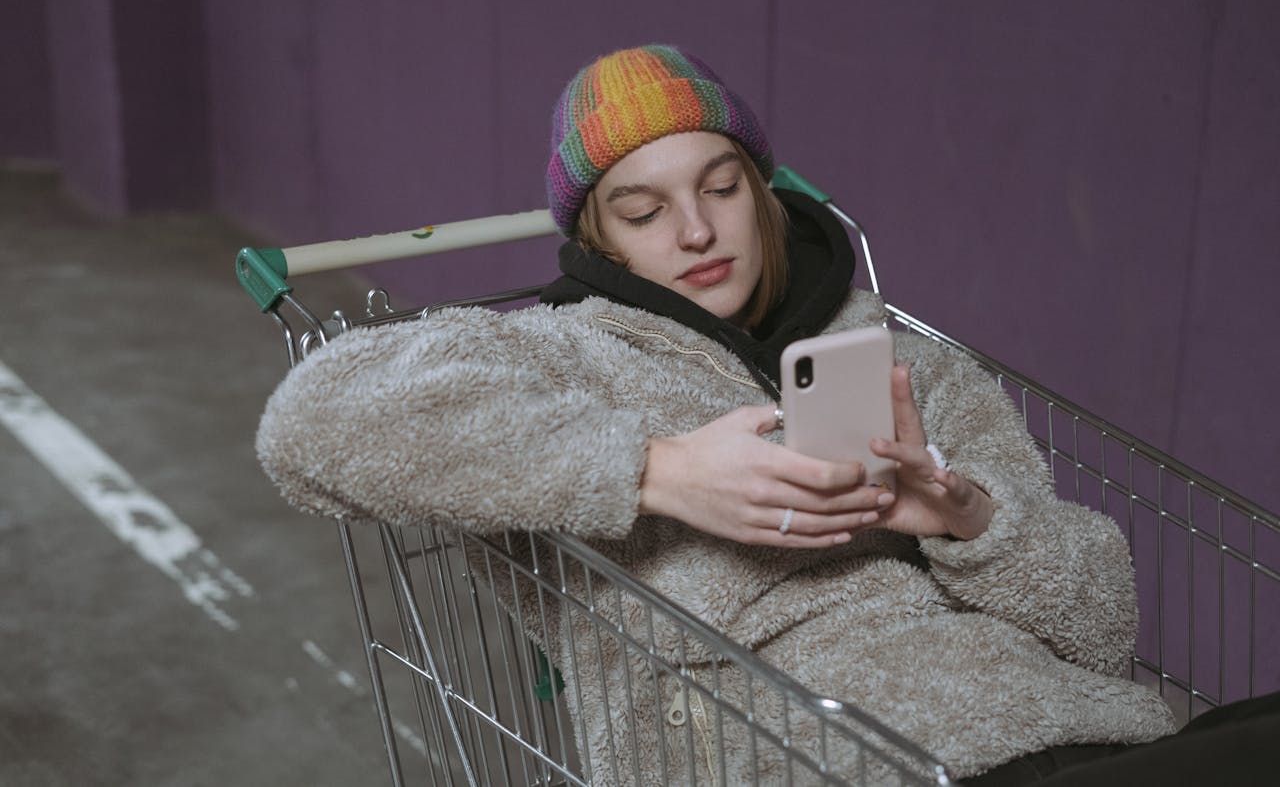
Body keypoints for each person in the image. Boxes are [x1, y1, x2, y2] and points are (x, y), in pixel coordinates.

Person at [256, 45, 1270, 783]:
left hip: (1064, 727)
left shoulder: (901, 361)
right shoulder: (556, 360)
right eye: (643, 211)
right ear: (600, 242)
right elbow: (308, 425)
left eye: (720, 186)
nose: (694, 229)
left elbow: (1099, 630)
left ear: (763, 194)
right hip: (790, 746)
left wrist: (969, 523)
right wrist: (655, 470)